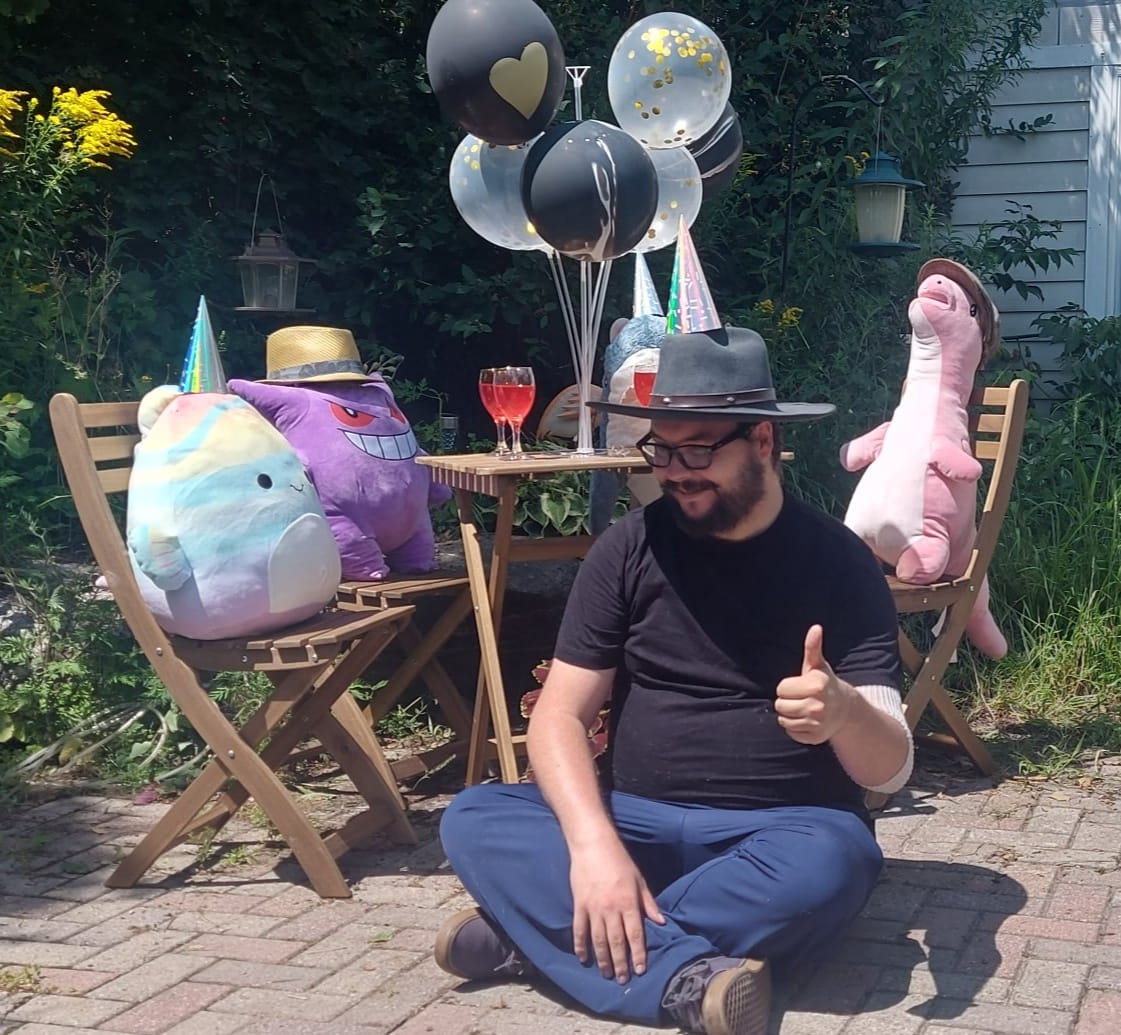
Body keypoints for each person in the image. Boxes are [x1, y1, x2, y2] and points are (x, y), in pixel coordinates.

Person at [435, 324, 913, 1035]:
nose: (675, 469)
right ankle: (678, 972)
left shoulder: (839, 561)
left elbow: (892, 766)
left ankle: (538, 941)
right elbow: (559, 716)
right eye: (661, 449)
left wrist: (843, 712)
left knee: (837, 862)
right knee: (474, 816)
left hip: (781, 833)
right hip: (633, 823)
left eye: (697, 449)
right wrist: (596, 849)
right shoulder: (629, 547)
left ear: (761, 443)